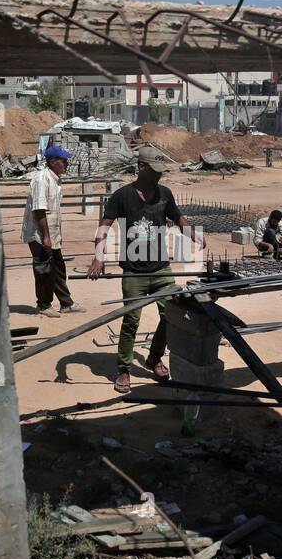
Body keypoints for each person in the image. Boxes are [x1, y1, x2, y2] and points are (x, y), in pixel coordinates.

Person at [88, 145, 205, 394]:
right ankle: (123, 368)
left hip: (161, 269)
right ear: (141, 167)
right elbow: (104, 226)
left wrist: (192, 233)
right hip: (134, 271)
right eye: (155, 170)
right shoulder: (122, 196)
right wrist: (98, 257)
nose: (160, 175)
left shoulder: (165, 194)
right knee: (131, 320)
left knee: (170, 316)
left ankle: (153, 359)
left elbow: (179, 217)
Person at [22, 144, 86, 318]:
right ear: (53, 162)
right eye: (64, 160)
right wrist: (46, 237)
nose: (67, 163)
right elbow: (39, 210)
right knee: (44, 269)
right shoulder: (41, 179)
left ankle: (66, 303)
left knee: (57, 267)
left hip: (51, 234)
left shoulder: (55, 179)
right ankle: (43, 304)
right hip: (40, 234)